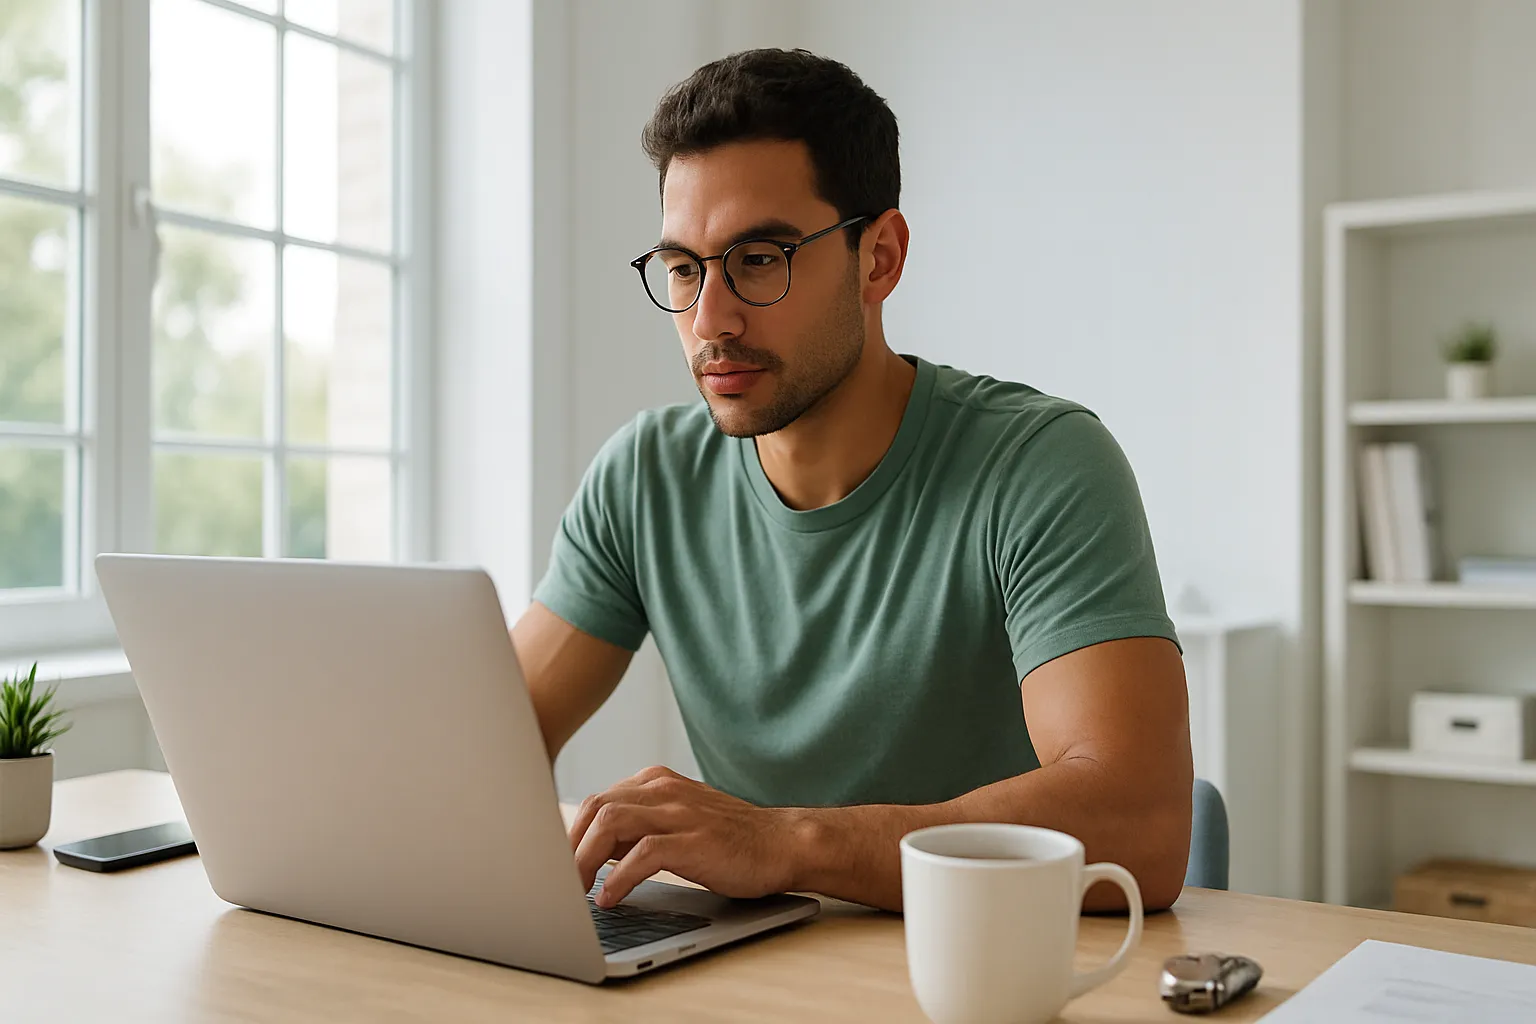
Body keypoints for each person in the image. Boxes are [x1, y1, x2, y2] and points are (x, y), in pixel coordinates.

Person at [511, 48, 1193, 914]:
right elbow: (486, 747)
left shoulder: (1041, 464)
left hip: (990, 975)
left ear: (879, 258)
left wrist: (785, 842)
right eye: (684, 269)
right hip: (754, 976)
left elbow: (1142, 822)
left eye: (759, 259)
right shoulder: (644, 477)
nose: (709, 321)